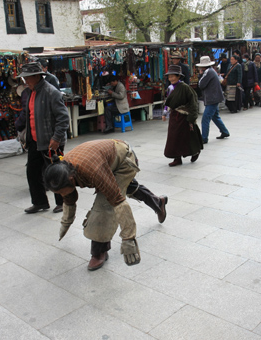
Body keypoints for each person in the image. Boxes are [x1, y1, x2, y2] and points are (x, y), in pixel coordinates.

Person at [43, 139, 168, 271]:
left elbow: (118, 202)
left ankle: (98, 253)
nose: (61, 194)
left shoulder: (93, 171)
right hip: (105, 159)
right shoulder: (62, 171)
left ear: (72, 179)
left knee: (104, 206)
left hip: (124, 159)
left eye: (61, 192)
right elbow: (69, 197)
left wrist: (128, 239)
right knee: (124, 187)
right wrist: (66, 222)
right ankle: (158, 203)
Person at [18, 62, 70, 214]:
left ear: (37, 76)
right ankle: (39, 202)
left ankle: (63, 202)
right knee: (32, 173)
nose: (25, 81)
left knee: (56, 173)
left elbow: (63, 118)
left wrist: (57, 138)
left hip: (51, 141)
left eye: (27, 78)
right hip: (35, 140)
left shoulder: (51, 92)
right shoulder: (30, 93)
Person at [162, 65, 203, 166]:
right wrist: (164, 113)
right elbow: (168, 102)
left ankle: (194, 152)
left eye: (173, 76)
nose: (171, 79)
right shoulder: (170, 88)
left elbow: (193, 102)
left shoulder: (185, 88)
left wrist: (192, 117)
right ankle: (177, 158)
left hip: (184, 117)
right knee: (174, 137)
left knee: (186, 137)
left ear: (178, 76)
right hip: (174, 116)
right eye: (169, 77)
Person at [197, 57, 230, 144]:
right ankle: (225, 131)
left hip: (212, 98)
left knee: (205, 119)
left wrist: (200, 75)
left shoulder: (207, 72)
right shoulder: (211, 71)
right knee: (215, 116)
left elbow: (201, 84)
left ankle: (204, 138)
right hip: (215, 97)